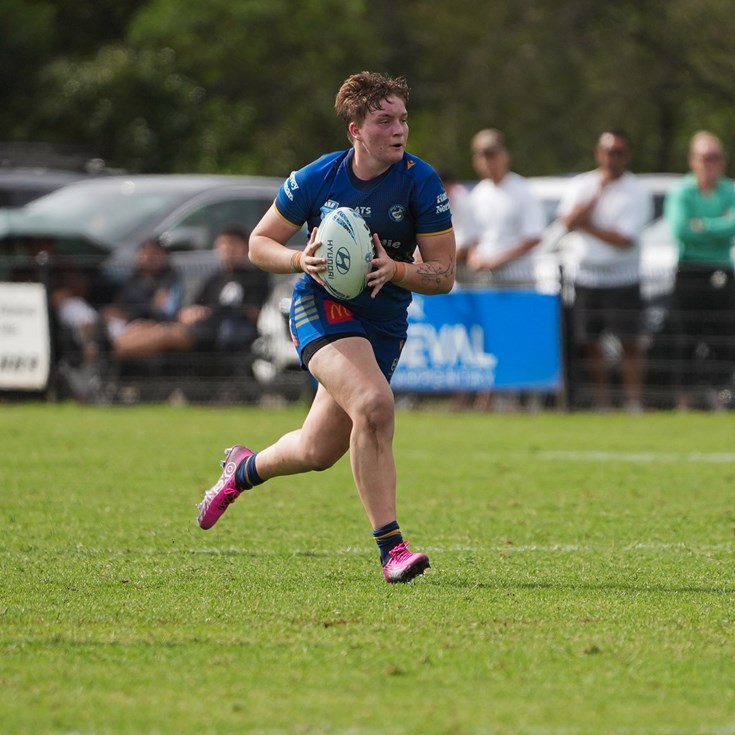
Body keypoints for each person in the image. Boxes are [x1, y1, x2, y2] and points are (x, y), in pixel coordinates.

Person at [195, 71, 456, 584]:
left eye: (403, 119)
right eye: (384, 120)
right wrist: (300, 260)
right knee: (374, 406)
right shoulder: (319, 176)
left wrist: (396, 270)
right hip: (321, 307)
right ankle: (393, 550)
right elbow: (258, 243)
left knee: (317, 451)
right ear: (355, 130)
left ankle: (241, 470)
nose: (399, 130)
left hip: (383, 323)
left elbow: (444, 275)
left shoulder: (420, 181)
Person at [558, 129, 653, 412]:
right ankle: (602, 403)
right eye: (609, 152)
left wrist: (586, 225)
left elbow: (625, 239)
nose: (613, 158)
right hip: (587, 277)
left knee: (630, 342)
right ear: (599, 153)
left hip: (624, 278)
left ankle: (633, 401)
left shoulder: (636, 190)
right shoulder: (583, 185)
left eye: (619, 152)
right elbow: (567, 221)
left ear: (627, 155)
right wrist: (596, 195)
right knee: (591, 342)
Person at [457, 129, 546, 411]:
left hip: (518, 282)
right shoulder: (478, 194)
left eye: (492, 154)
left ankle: (530, 400)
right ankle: (499, 399)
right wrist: (475, 256)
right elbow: (472, 238)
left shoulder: (521, 190)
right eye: (483, 155)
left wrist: (497, 259)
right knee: (492, 341)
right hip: (487, 284)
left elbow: (533, 236)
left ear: (505, 155)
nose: (488, 161)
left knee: (521, 340)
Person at [110, 227, 269, 358]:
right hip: (194, 326)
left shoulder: (255, 277)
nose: (227, 249)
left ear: (246, 247)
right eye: (222, 245)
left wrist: (210, 312)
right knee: (143, 327)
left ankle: (110, 353)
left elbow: (254, 312)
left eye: (232, 244)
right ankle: (110, 349)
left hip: (213, 333)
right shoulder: (215, 278)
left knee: (164, 334)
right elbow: (195, 303)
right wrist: (188, 312)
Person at [664, 131, 735, 410]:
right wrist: (719, 225)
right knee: (686, 336)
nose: (709, 163)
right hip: (689, 269)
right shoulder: (682, 191)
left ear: (723, 161)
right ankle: (685, 400)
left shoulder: (730, 190)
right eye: (704, 157)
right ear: (693, 160)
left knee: (723, 336)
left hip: (722, 269)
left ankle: (722, 397)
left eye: (715, 157)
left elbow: (732, 226)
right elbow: (681, 229)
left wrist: (702, 225)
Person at [104, 238, 182, 349]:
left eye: (154, 254)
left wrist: (129, 317)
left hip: (152, 326)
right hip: (126, 323)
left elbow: (164, 312)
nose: (148, 258)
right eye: (145, 254)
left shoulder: (169, 280)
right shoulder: (133, 278)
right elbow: (121, 302)